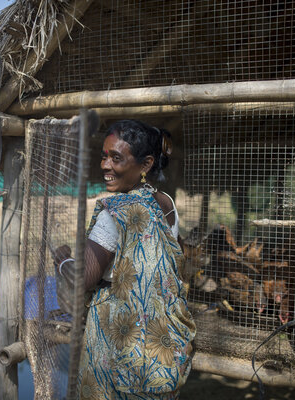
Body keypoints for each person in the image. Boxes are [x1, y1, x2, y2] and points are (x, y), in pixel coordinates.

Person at [55, 119, 195, 399]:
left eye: (116, 158)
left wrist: (62, 261)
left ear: (145, 165)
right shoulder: (165, 203)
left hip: (117, 345)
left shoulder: (113, 213)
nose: (105, 166)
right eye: (104, 157)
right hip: (159, 346)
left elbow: (83, 279)